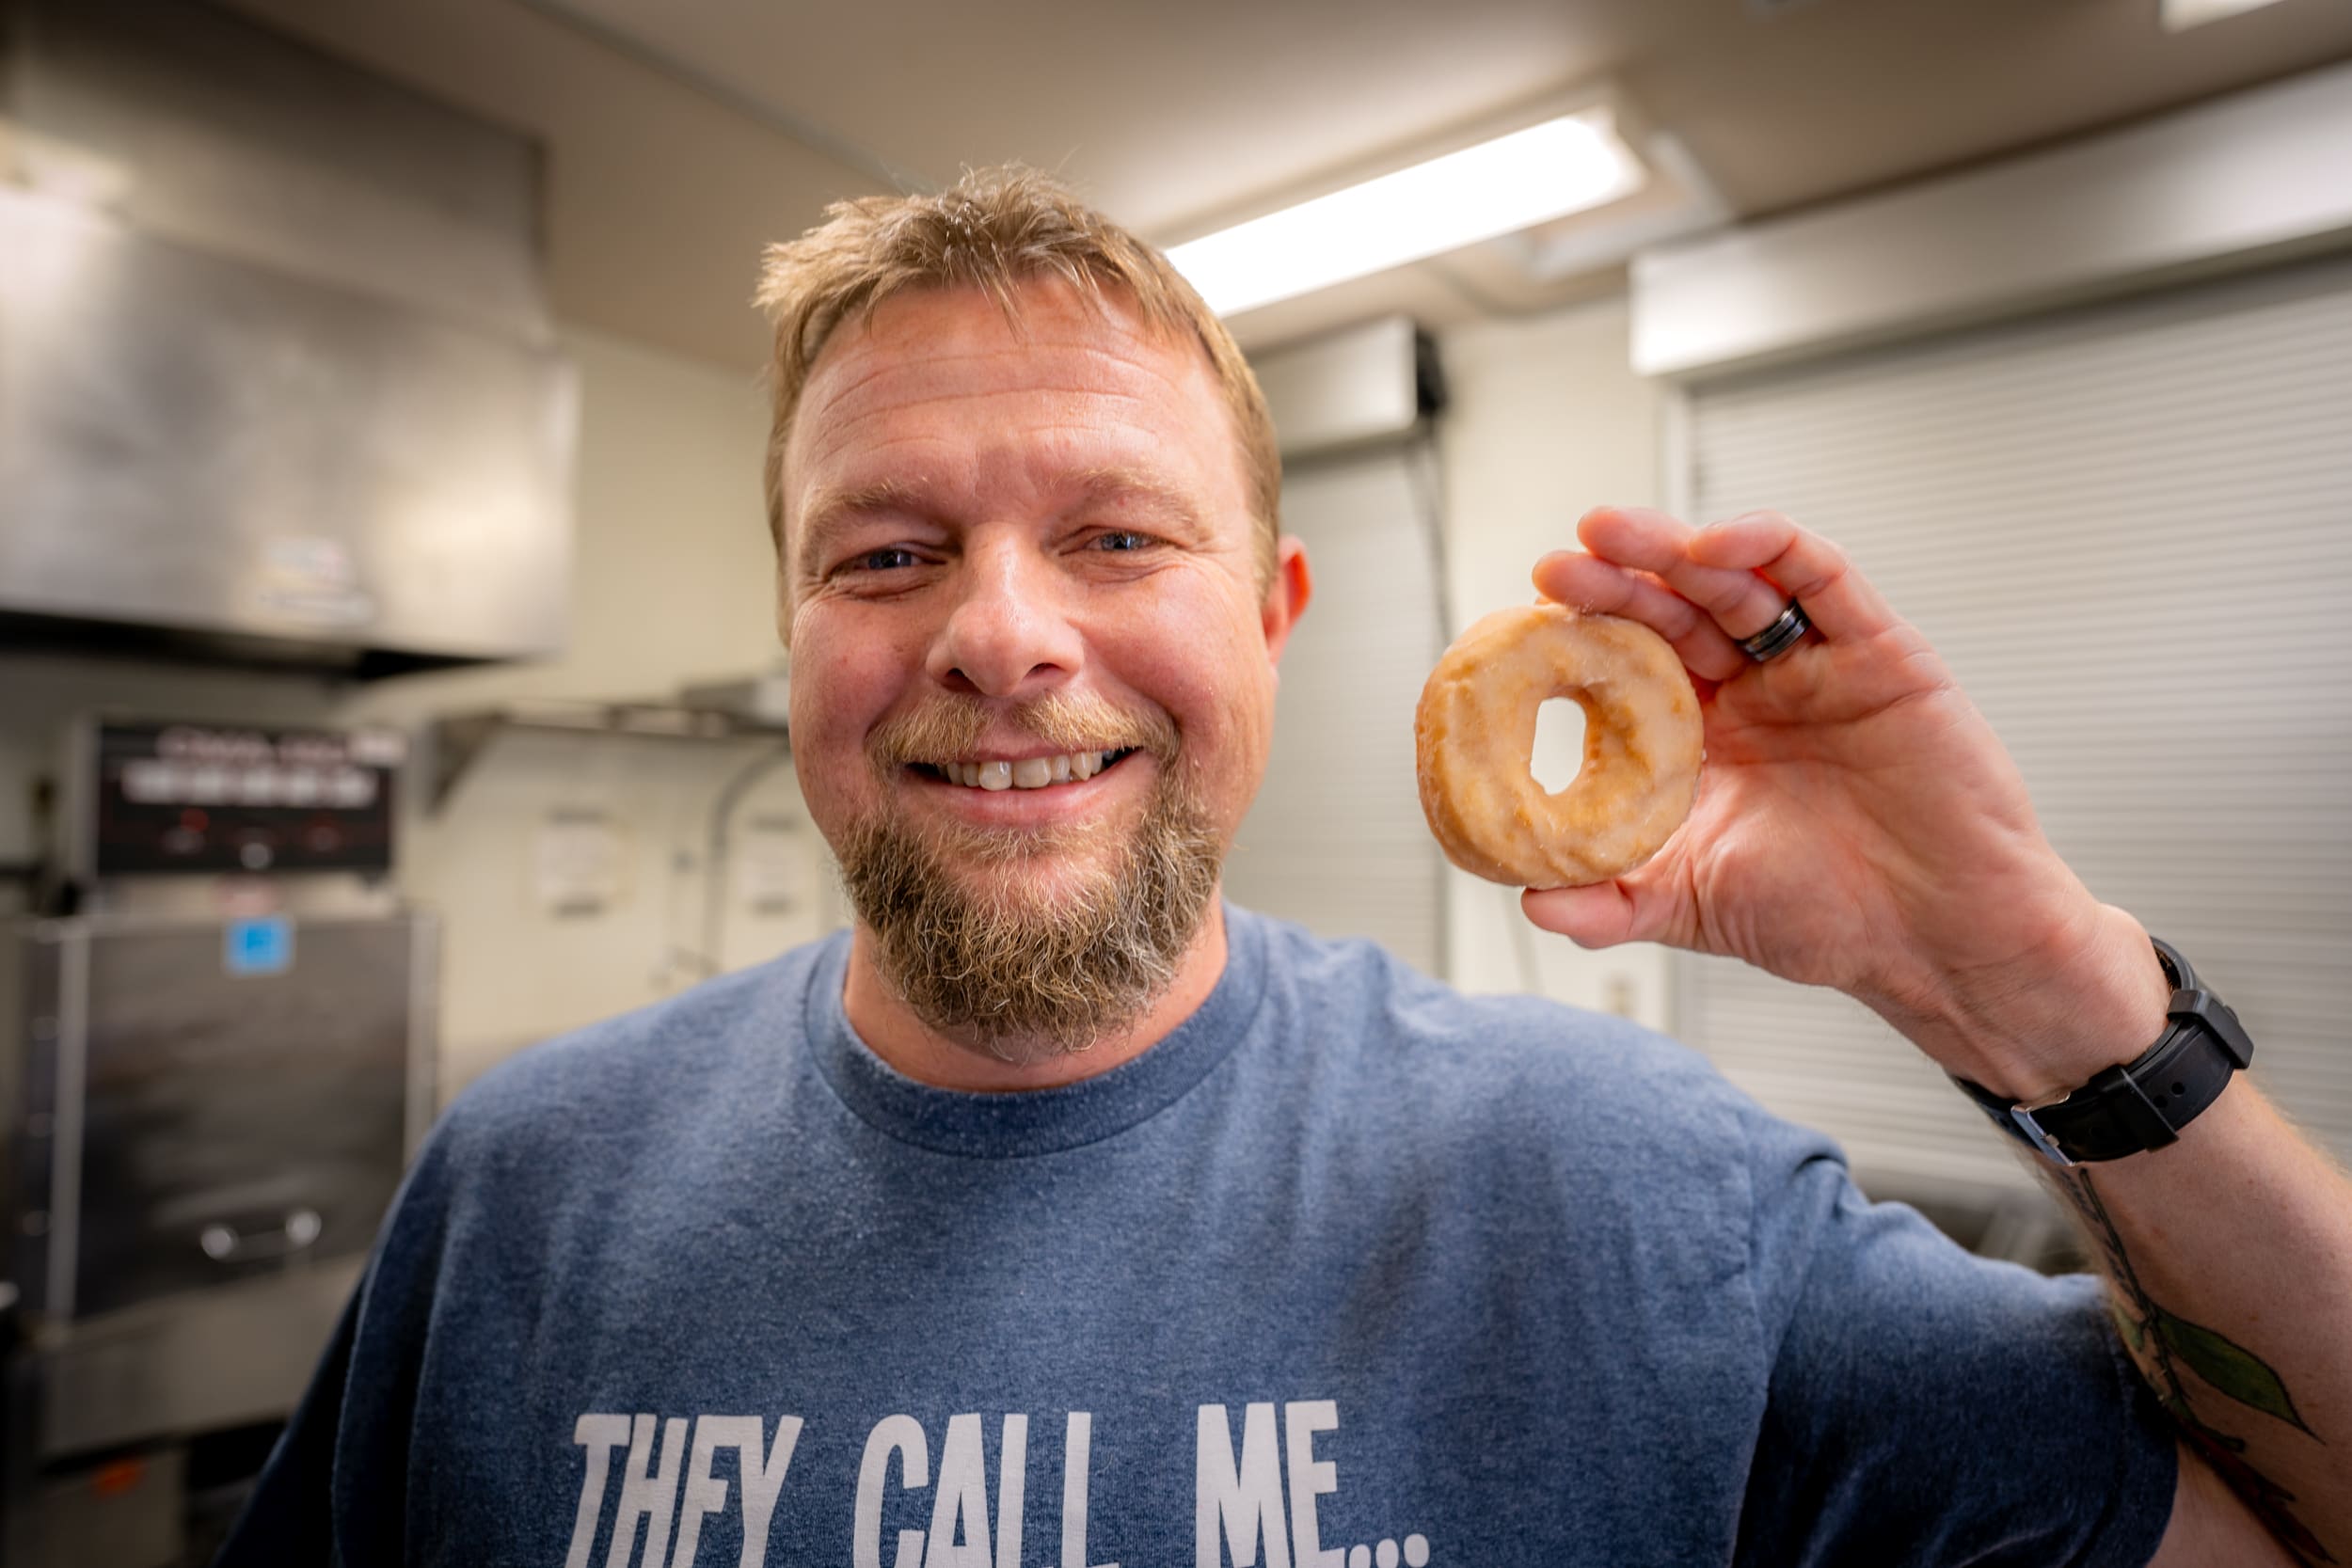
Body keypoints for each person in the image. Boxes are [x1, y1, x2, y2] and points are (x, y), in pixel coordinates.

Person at [219, 166, 2350, 1568]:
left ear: (1273, 615)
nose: (999, 633)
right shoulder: (511, 1190)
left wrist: (2036, 992)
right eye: (884, 553)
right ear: (799, 635)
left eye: (1117, 536)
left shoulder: (1623, 1191)